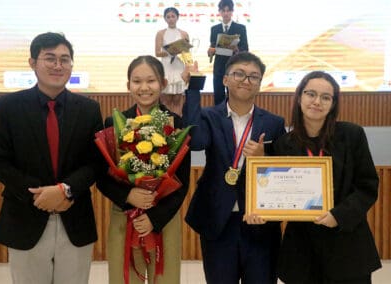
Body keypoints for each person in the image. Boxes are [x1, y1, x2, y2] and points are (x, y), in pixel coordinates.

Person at [0, 32, 104, 283]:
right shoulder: (8, 106)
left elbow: (96, 162)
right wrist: (40, 195)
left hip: (75, 217)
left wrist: (65, 190)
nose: (57, 65)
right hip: (25, 216)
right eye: (50, 58)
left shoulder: (88, 109)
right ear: (33, 63)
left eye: (65, 59)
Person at [182, 51, 286, 284]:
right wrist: (193, 88)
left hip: (259, 222)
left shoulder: (274, 122)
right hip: (218, 219)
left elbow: (282, 170)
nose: (245, 80)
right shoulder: (208, 116)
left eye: (253, 76)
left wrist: (264, 156)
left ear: (260, 84)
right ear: (225, 79)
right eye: (238, 74)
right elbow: (196, 142)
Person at [272, 71, 381, 283]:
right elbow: (277, 193)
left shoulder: (352, 135)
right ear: (299, 97)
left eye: (325, 97)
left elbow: (367, 186)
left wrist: (338, 216)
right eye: (310, 94)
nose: (317, 101)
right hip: (302, 251)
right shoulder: (284, 144)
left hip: (347, 246)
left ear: (333, 104)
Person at [96, 55, 191, 284]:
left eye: (151, 81)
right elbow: (101, 176)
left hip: (164, 217)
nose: (144, 87)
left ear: (164, 84)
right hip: (124, 215)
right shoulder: (114, 122)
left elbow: (183, 181)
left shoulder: (176, 123)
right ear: (128, 85)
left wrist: (154, 217)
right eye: (137, 81)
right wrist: (128, 196)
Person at [208, 0, 249, 105]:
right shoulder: (214, 29)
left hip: (234, 67)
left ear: (232, 12)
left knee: (234, 96)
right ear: (219, 12)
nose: (226, 13)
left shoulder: (240, 28)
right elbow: (212, 48)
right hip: (219, 68)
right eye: (223, 11)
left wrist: (237, 49)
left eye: (228, 11)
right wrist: (210, 52)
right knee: (218, 97)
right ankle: (218, 120)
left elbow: (245, 49)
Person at [155, 7, 189, 116]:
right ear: (165, 19)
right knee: (166, 100)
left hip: (179, 68)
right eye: (168, 17)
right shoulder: (161, 33)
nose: (171, 19)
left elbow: (187, 54)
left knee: (178, 100)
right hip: (166, 69)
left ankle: (178, 126)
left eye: (173, 16)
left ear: (177, 17)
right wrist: (170, 51)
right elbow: (157, 52)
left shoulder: (184, 33)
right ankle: (167, 128)